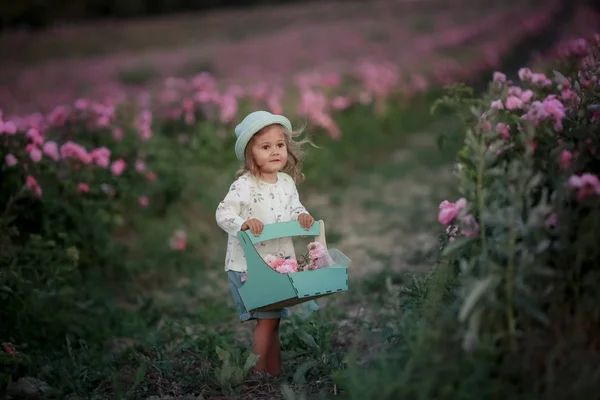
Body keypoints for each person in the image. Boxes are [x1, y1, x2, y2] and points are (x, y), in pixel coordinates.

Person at [215, 110, 316, 377]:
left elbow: (295, 207)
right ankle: (258, 375)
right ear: (251, 154)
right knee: (267, 320)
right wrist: (243, 224)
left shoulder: (286, 182)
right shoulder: (245, 185)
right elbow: (223, 212)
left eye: (280, 145)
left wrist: (301, 216)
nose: (275, 152)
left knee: (273, 321)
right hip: (249, 265)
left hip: (278, 264)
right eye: (265, 146)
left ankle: (274, 372)